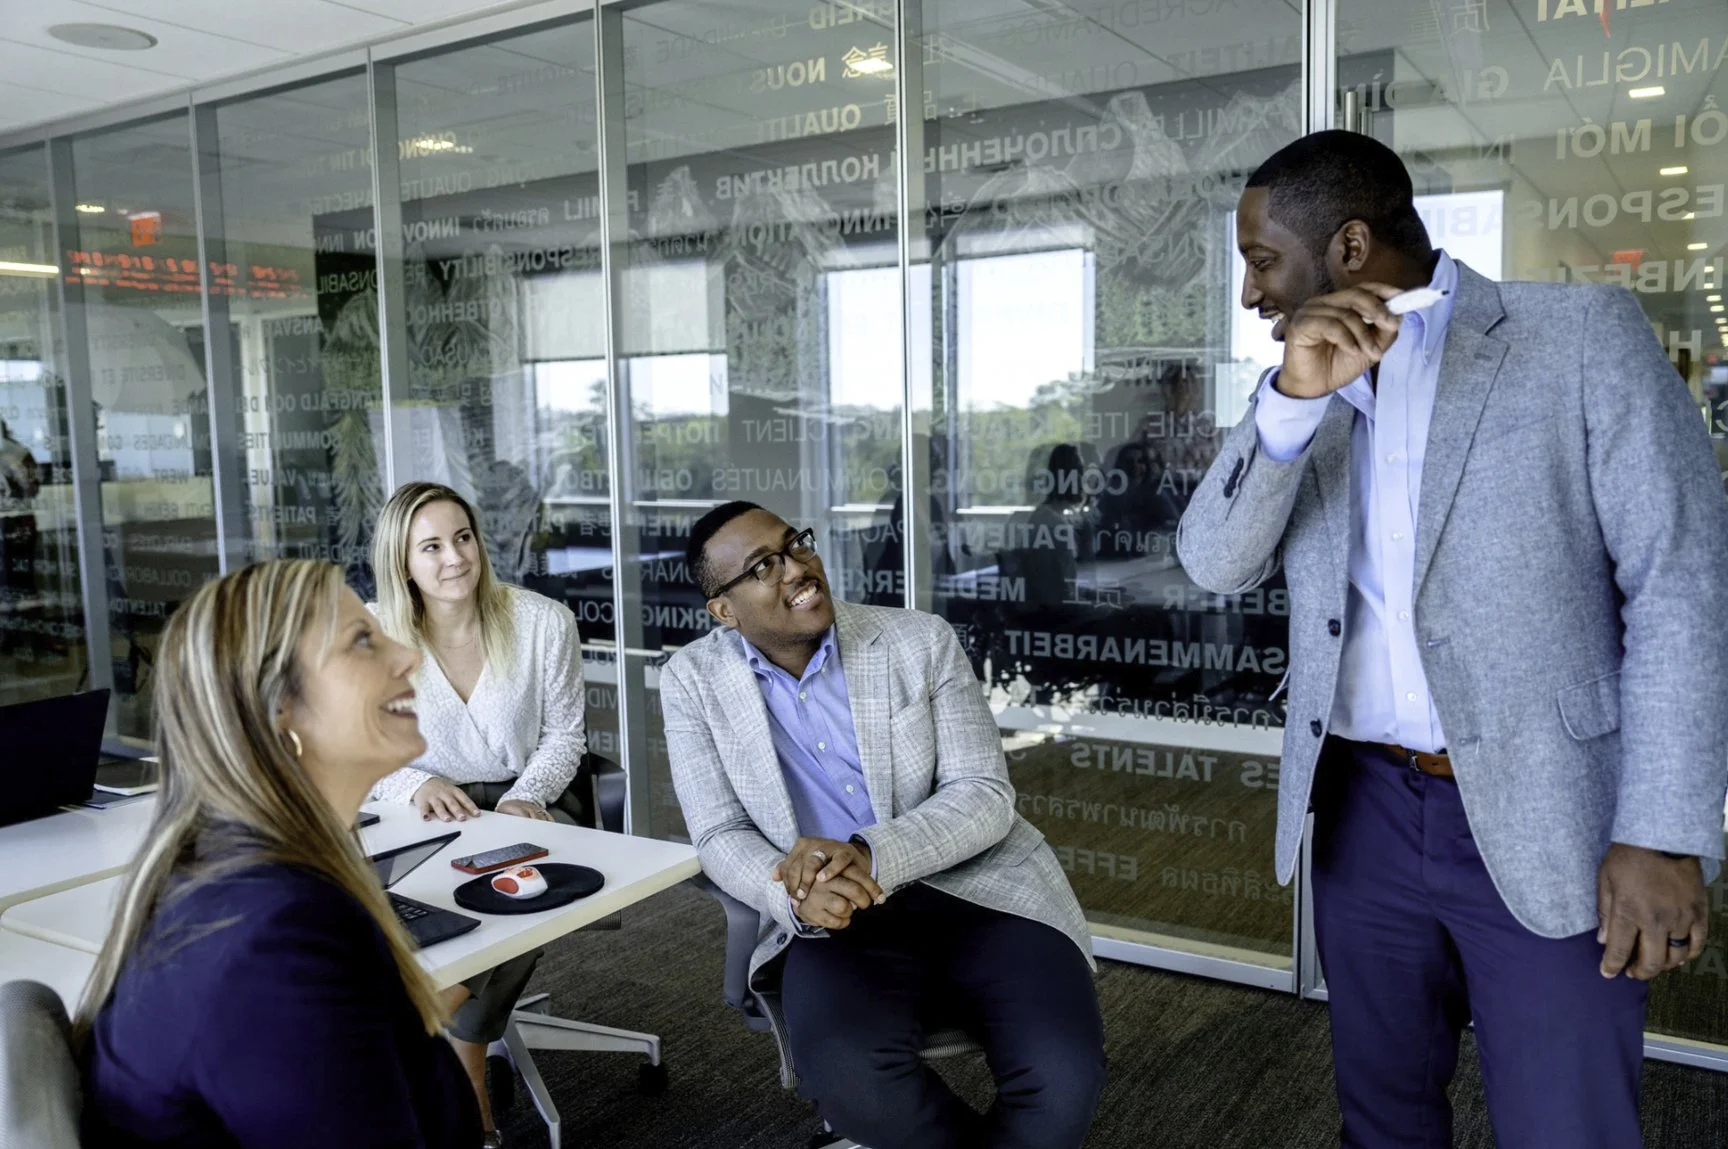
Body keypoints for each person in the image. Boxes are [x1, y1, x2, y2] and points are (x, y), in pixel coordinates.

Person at [1178, 130, 1728, 1148]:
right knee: (1382, 1118)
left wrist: (1662, 830)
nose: (1251, 294)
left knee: (1566, 1126)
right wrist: (1294, 407)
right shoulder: (1299, 384)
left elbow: (1684, 588)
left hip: (1546, 808)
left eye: (1262, 261)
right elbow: (1214, 561)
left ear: (1347, 246)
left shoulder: (1577, 337)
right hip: (1361, 810)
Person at [662, 501, 1107, 1149]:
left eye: (796, 545)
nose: (797, 568)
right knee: (852, 1081)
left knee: (1064, 1078)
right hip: (835, 918)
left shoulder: (916, 639)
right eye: (765, 566)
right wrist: (789, 889)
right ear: (725, 611)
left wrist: (869, 853)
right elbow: (718, 832)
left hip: (977, 889)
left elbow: (983, 795)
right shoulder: (692, 681)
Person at [77, 559, 481, 1148]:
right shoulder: (276, 940)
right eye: (362, 641)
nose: (407, 656)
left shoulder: (237, 876)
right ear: (278, 713)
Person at [370, 480, 588, 1147]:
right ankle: (461, 1049)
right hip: (422, 808)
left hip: (533, 797)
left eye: (462, 538)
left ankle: (456, 1042)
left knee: (526, 878)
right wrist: (414, 783)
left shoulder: (541, 621)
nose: (454, 558)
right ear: (402, 561)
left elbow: (565, 736)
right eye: (430, 546)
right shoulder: (371, 632)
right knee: (435, 891)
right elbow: (357, 741)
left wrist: (529, 793)